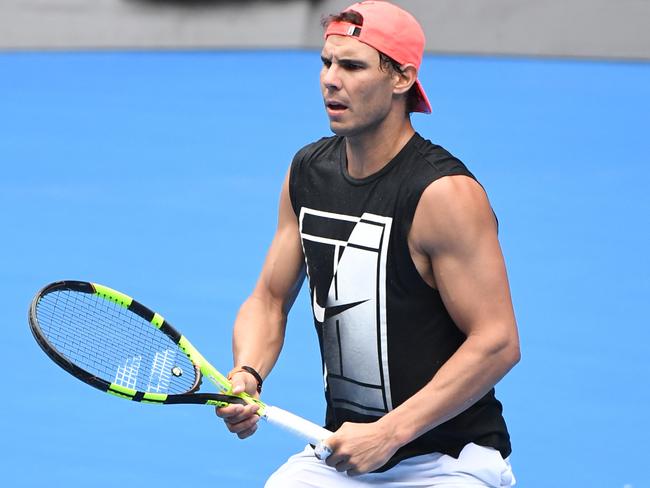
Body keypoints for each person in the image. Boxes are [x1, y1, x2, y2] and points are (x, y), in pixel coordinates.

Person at [216, 1, 521, 486]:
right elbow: (269, 300)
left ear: (401, 79)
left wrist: (390, 433)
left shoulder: (443, 194)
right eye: (326, 62)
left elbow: (497, 341)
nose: (331, 80)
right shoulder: (307, 173)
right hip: (343, 453)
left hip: (448, 461)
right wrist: (247, 374)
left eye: (353, 66)